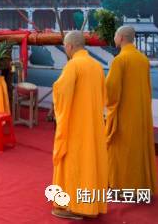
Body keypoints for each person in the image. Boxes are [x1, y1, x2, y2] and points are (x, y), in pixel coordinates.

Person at [51, 31, 107, 219]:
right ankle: (92, 205)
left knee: (74, 165)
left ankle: (72, 207)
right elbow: (103, 96)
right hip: (93, 125)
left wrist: (56, 91)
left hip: (76, 126)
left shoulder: (73, 65)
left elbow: (61, 92)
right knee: (90, 164)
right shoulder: (97, 66)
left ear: (69, 46)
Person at [105, 26, 157, 193]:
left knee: (121, 151)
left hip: (124, 114)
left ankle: (121, 188)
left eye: (115, 34)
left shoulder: (120, 60)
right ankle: (140, 187)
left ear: (120, 38)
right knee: (138, 150)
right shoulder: (143, 59)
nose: (114, 37)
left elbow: (111, 92)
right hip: (140, 113)